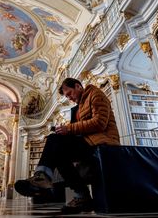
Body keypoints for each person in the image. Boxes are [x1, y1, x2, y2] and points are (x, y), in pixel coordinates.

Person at [15, 78, 120, 214]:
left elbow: (100, 123)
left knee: (55, 141)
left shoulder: (95, 93)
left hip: (104, 141)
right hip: (90, 141)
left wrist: (69, 129)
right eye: (66, 96)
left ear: (78, 86)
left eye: (69, 93)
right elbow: (82, 129)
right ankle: (79, 195)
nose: (69, 98)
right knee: (56, 146)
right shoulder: (80, 104)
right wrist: (66, 131)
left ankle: (45, 179)